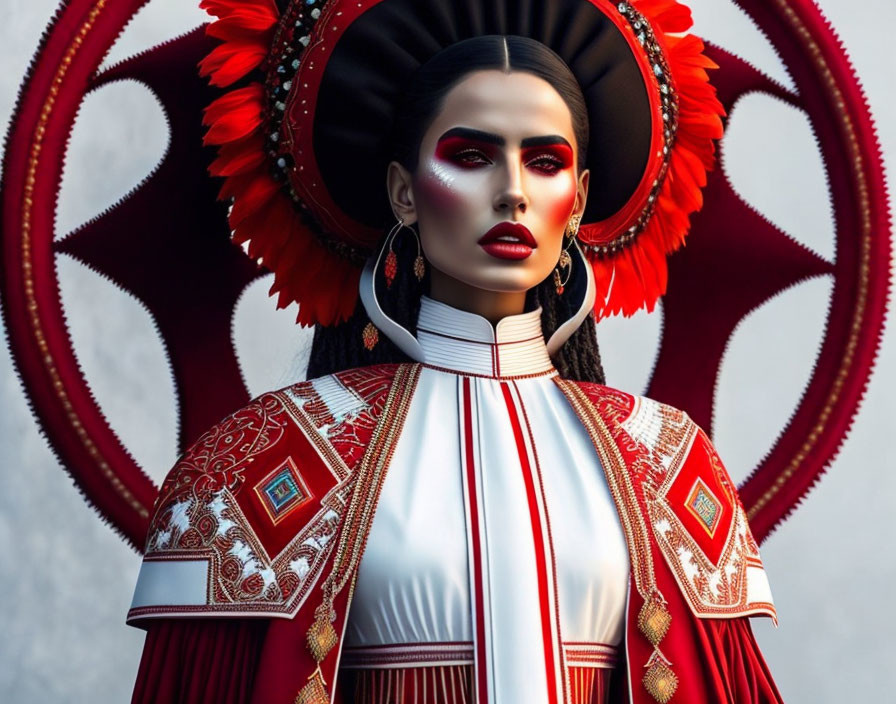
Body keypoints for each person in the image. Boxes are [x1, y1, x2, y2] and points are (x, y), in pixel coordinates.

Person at [128, 0, 783, 702]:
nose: (512, 193)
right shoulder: (268, 456)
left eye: (545, 161)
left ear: (581, 198)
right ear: (403, 192)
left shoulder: (665, 456)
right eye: (471, 157)